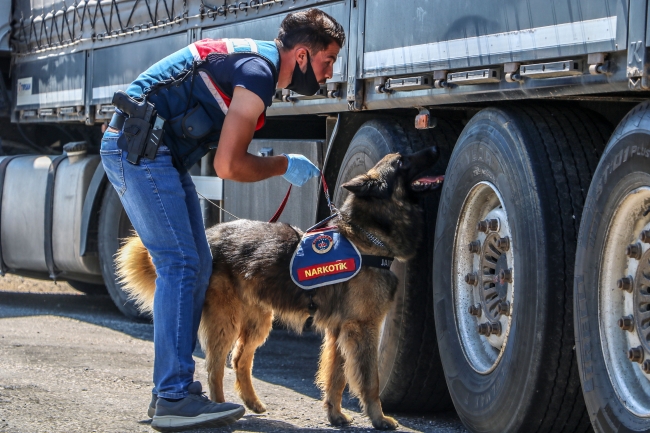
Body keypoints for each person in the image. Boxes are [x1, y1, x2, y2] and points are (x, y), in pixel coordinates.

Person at [99, 8, 345, 432]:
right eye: (328, 61)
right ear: (302, 56)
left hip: (154, 152)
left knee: (195, 263)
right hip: (139, 149)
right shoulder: (259, 72)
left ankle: (169, 394)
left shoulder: (256, 63)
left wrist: (278, 163)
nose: (329, 73)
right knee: (181, 264)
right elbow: (228, 164)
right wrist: (283, 163)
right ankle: (175, 396)